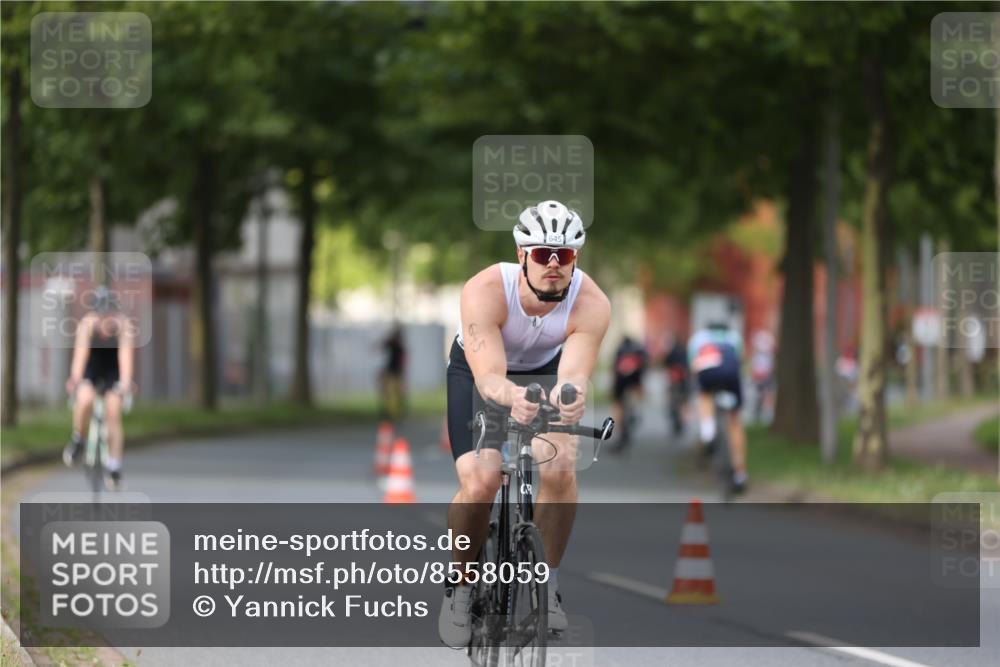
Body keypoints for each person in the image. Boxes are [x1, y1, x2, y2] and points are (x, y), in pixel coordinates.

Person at [439, 200, 610, 648]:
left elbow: (573, 374)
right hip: (481, 373)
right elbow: (491, 377)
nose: (553, 264)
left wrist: (569, 400)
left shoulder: (592, 302)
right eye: (541, 254)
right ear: (521, 255)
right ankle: (459, 586)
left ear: (577, 259)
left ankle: (547, 585)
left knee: (561, 464)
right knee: (481, 480)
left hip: (544, 373)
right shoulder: (485, 290)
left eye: (565, 255)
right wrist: (514, 399)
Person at [62, 285, 135, 490]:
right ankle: (78, 439)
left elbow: (125, 357)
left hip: (113, 370)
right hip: (92, 368)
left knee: (113, 413)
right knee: (85, 400)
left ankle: (114, 467)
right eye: (101, 313)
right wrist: (76, 378)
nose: (105, 318)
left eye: (109, 313)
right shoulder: (87, 325)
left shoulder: (123, 326)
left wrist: (126, 381)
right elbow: (80, 356)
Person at [688, 320, 747, 494]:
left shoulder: (698, 338)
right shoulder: (735, 337)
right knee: (735, 422)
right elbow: (741, 361)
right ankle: (740, 472)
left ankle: (708, 430)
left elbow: (693, 366)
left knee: (704, 394)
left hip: (708, 372)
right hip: (730, 374)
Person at [609, 335, 647, 450]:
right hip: (635, 379)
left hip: (620, 380)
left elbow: (614, 369)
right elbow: (643, 368)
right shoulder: (638, 351)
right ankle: (635, 412)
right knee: (635, 395)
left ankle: (618, 428)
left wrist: (613, 390)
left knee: (618, 404)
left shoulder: (620, 351)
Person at [663, 332, 690, 437]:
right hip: (683, 380)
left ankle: (675, 413)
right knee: (684, 400)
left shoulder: (671, 351)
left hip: (674, 380)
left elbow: (666, 362)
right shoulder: (684, 351)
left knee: (672, 397)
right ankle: (684, 419)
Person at [379, 323, 406, 420]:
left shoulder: (397, 345)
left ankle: (393, 413)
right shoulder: (396, 345)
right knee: (392, 394)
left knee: (393, 394)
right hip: (393, 373)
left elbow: (383, 344)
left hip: (394, 373)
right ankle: (392, 412)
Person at [749, 329, 776, 424]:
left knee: (767, 394)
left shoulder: (769, 339)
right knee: (758, 394)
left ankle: (766, 416)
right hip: (759, 372)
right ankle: (757, 414)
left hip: (766, 372)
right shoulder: (758, 339)